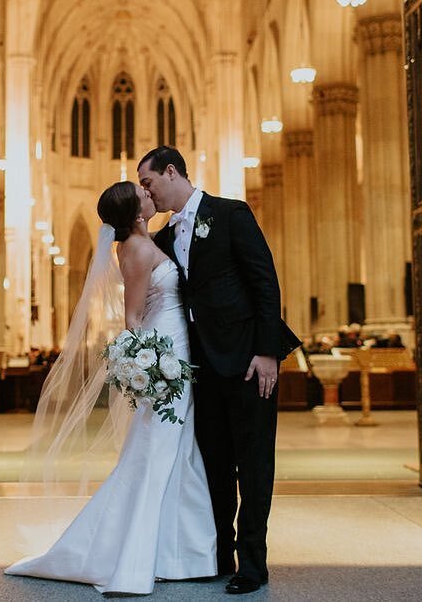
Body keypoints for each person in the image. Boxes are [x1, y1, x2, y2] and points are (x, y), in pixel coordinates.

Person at [5, 181, 217, 594]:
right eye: (143, 195)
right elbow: (133, 318)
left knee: (175, 452)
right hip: (164, 355)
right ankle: (143, 555)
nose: (149, 195)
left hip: (175, 349)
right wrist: (150, 365)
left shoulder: (147, 241)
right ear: (137, 213)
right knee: (158, 452)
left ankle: (175, 555)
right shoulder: (136, 250)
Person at [137, 146, 301, 595]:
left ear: (171, 171)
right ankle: (219, 552)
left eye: (149, 183)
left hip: (249, 361)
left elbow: (264, 282)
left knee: (253, 464)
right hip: (200, 369)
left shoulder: (231, 213)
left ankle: (253, 562)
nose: (147, 194)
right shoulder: (165, 239)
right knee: (212, 466)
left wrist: (267, 352)